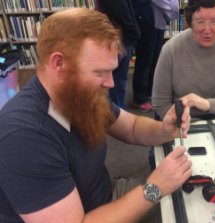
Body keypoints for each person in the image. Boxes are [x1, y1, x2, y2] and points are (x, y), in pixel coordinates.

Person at [0, 8, 192, 223]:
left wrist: (164, 129)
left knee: (193, 204)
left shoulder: (78, 94)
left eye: (111, 71)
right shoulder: (24, 137)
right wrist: (154, 188)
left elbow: (131, 128)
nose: (110, 83)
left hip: (107, 199)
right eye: (99, 73)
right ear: (59, 63)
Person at [131, 0, 178, 112]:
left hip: (158, 22)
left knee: (154, 60)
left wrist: (170, 8)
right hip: (146, 21)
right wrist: (170, 7)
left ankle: (149, 92)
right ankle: (139, 98)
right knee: (144, 60)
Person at [96, 0, 140, 110]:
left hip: (114, 35)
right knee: (118, 80)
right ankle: (117, 112)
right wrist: (135, 32)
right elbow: (123, 14)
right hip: (118, 37)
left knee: (117, 79)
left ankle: (117, 109)